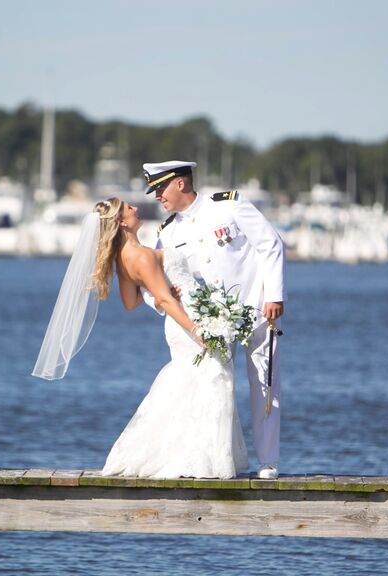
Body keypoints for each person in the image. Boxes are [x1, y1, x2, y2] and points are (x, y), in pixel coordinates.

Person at [33, 197, 248, 479]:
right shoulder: (142, 256)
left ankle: (192, 457)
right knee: (212, 380)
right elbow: (163, 299)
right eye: (129, 208)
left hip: (182, 319)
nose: (135, 208)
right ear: (122, 222)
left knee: (195, 383)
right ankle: (197, 461)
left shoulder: (124, 258)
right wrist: (197, 330)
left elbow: (131, 301)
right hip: (188, 324)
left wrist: (161, 297)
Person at [142, 160, 286, 480]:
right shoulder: (168, 231)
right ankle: (209, 459)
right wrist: (167, 302)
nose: (157, 196)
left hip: (256, 309)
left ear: (180, 183)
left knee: (265, 384)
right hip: (210, 322)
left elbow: (270, 244)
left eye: (160, 188)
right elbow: (153, 283)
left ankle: (268, 462)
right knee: (213, 388)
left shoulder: (229, 206)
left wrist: (274, 295)